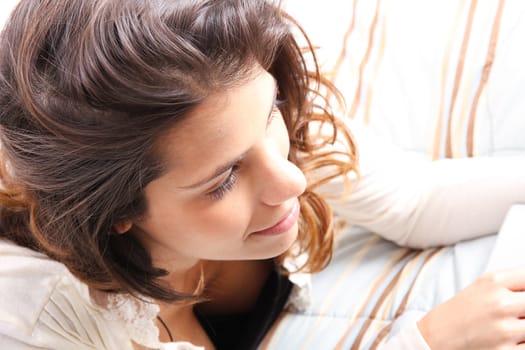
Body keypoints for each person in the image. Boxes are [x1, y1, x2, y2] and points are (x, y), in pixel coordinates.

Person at [0, 0, 524, 349]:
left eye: (271, 109)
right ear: (114, 214)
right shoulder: (40, 315)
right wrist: (425, 342)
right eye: (224, 180)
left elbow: (412, 201)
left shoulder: (231, 98)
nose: (292, 180)